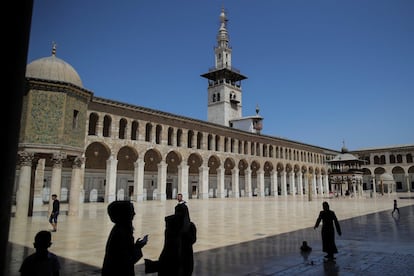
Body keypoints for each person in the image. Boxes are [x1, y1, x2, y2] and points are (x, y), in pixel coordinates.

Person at [145, 203, 196, 276]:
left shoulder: (190, 226)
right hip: (172, 260)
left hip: (184, 260)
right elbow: (169, 243)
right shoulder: (172, 224)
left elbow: (192, 240)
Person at [102, 201, 147, 276]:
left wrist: (137, 246)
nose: (134, 214)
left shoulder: (119, 229)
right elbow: (126, 260)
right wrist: (138, 247)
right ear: (124, 214)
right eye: (131, 211)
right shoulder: (121, 233)